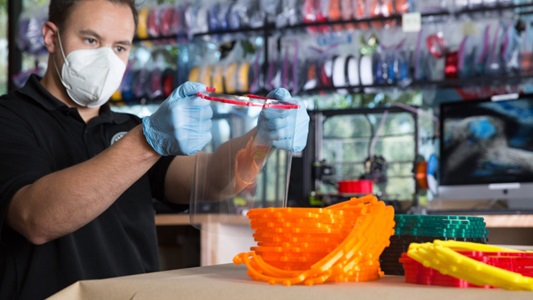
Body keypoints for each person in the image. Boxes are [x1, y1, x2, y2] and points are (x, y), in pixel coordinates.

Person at [0, 0, 310, 299]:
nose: (107, 59)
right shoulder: (10, 118)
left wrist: (262, 140)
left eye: (120, 47)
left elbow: (211, 182)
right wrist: (145, 142)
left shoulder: (128, 125)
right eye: (92, 39)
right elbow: (36, 219)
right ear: (51, 37)